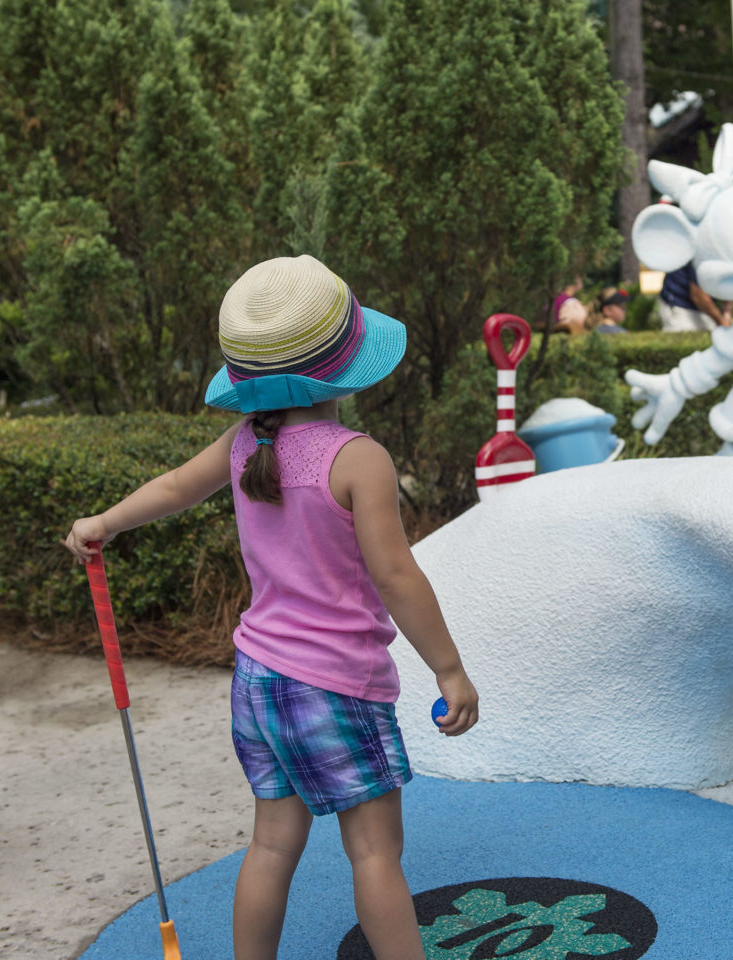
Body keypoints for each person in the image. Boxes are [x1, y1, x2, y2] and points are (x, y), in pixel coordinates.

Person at [61, 255, 480, 960]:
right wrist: (450, 668)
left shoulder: (244, 442)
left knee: (269, 844)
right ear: (345, 366)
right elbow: (397, 576)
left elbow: (170, 488)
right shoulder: (358, 459)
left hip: (257, 680)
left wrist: (104, 521)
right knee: (375, 853)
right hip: (337, 688)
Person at [656, 262, 730, 332]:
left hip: (702, 305)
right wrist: (721, 322)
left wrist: (727, 312)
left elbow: (730, 282)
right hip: (679, 303)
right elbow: (698, 296)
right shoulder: (702, 255)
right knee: (682, 340)